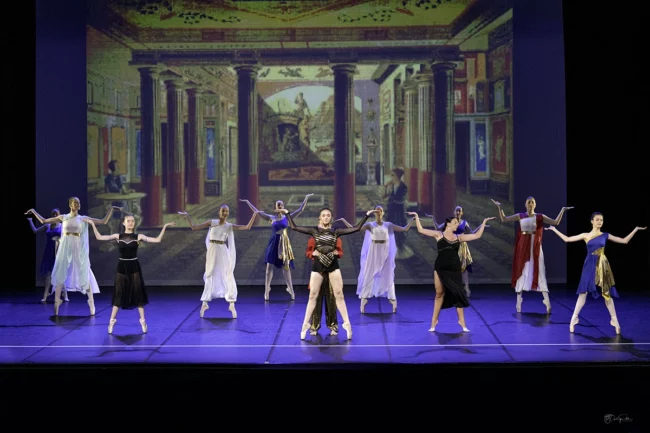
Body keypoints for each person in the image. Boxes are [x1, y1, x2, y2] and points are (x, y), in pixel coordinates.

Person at [545, 213, 646, 335]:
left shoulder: (605, 235)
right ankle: (574, 318)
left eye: (601, 220)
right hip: (589, 264)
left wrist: (635, 229)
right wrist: (554, 229)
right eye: (597, 220)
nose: (599, 221)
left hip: (602, 264)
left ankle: (615, 320)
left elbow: (624, 241)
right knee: (583, 292)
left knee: (607, 293)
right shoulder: (586, 235)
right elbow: (567, 239)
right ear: (592, 221)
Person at [286, 207, 377, 340]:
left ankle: (347, 324)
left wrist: (367, 215)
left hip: (333, 266)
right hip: (318, 265)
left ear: (331, 218)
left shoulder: (336, 231)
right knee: (313, 296)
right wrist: (287, 213)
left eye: (328, 215)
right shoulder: (314, 231)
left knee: (339, 295)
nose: (326, 217)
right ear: (320, 218)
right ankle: (306, 324)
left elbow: (356, 228)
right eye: (323, 215)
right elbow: (293, 227)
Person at [25, 198, 117, 316]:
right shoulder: (63, 217)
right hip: (65, 250)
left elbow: (103, 221)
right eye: (75, 202)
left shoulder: (83, 218)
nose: (78, 204)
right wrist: (33, 211)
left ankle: (91, 302)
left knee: (84, 273)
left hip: (79, 250)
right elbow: (43, 221)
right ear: (70, 205)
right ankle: (57, 301)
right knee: (60, 272)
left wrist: (111, 210)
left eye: (79, 202)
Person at [85, 215, 175, 334]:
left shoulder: (139, 237)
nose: (131, 223)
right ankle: (111, 321)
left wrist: (164, 227)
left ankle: (143, 321)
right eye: (128, 221)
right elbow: (99, 237)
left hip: (134, 267)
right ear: (123, 223)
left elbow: (157, 240)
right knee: (118, 295)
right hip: (122, 267)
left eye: (132, 221)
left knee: (138, 294)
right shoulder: (118, 236)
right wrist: (92, 224)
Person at [408, 212, 495, 332]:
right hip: (440, 267)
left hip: (454, 268)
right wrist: (417, 217)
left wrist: (484, 222)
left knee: (458, 293)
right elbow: (421, 230)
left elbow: (476, 236)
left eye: (458, 223)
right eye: (455, 223)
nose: (457, 225)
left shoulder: (459, 237)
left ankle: (462, 321)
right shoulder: (438, 234)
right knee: (439, 294)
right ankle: (434, 321)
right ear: (448, 224)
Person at [491, 197, 572, 313]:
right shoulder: (520, 216)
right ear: (525, 204)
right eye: (529, 202)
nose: (531, 204)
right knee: (521, 272)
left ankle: (547, 302)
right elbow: (504, 219)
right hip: (523, 249)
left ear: (535, 204)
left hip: (536, 249)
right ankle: (518, 302)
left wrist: (562, 210)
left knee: (540, 271)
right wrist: (499, 207)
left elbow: (555, 222)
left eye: (533, 202)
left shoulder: (540, 216)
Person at [178, 206, 259, 319]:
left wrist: (254, 215)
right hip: (212, 251)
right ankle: (205, 303)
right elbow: (194, 227)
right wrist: (187, 217)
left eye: (227, 211)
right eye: (223, 211)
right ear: (219, 212)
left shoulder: (229, 226)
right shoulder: (212, 222)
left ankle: (231, 303)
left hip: (222, 251)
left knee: (227, 275)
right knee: (210, 274)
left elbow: (247, 227)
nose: (225, 213)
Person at [336, 205, 415, 313]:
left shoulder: (388, 225)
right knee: (369, 274)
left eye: (380, 210)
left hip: (385, 252)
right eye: (376, 211)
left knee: (387, 274)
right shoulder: (370, 225)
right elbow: (354, 228)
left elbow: (405, 229)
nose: (378, 212)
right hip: (373, 252)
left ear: (383, 213)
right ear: (374, 213)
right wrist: (344, 221)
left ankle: (393, 300)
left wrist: (413, 219)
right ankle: (364, 301)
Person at [239, 194, 313, 301]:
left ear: (283, 206)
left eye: (281, 205)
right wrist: (247, 202)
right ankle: (266, 290)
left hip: (284, 243)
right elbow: (257, 212)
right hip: (273, 242)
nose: (280, 206)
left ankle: (291, 290)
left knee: (286, 267)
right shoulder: (271, 218)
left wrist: (306, 198)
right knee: (269, 267)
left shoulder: (287, 217)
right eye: (278, 205)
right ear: (275, 207)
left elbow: (300, 209)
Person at [427, 206, 480, 298]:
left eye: (460, 211)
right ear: (454, 212)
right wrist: (433, 219)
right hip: (452, 246)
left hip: (462, 247)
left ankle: (466, 288)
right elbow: (438, 228)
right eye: (457, 210)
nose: (458, 212)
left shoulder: (464, 223)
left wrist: (481, 226)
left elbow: (472, 233)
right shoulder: (449, 222)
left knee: (464, 269)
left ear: (462, 213)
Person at [27, 208, 68, 303]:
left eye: (56, 214)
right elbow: (35, 231)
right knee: (49, 274)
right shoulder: (48, 225)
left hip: (59, 251)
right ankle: (45, 295)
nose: (54, 216)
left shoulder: (63, 226)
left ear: (59, 215)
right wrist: (30, 221)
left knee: (60, 274)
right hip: (49, 252)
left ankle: (65, 294)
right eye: (53, 214)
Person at [305, 236, 343, 336]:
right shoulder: (314, 238)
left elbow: (340, 252)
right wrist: (313, 253)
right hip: (318, 272)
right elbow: (308, 252)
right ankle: (314, 326)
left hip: (331, 272)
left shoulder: (335, 238)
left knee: (331, 300)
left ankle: (333, 325)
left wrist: (335, 253)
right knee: (315, 300)